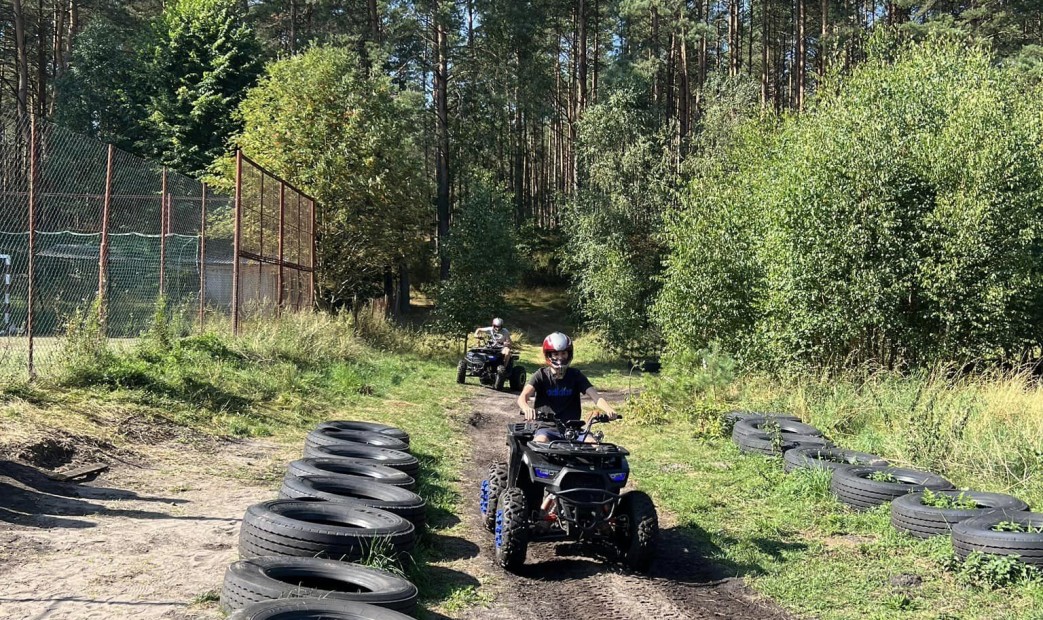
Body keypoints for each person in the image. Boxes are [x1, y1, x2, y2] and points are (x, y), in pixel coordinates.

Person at [517, 332, 618, 443]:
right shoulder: (541, 375)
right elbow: (523, 397)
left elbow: (595, 396)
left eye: (563, 353)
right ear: (548, 355)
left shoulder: (576, 375)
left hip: (573, 429)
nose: (560, 357)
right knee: (540, 443)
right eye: (556, 354)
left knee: (594, 444)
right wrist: (526, 408)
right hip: (546, 428)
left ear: (569, 354)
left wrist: (608, 409)